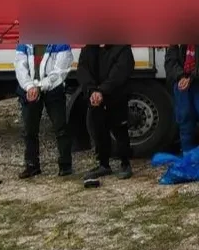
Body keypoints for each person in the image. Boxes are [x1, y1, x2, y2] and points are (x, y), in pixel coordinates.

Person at [14, 43, 75, 178]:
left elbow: (61, 70)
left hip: (53, 89)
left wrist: (40, 86)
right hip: (29, 90)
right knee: (29, 130)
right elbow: (20, 67)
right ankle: (32, 165)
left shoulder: (60, 41)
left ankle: (66, 165)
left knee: (61, 128)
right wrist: (29, 86)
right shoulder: (25, 43)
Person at [79, 44, 136, 180]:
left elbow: (120, 72)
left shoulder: (122, 48)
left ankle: (125, 164)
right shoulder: (88, 49)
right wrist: (92, 91)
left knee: (120, 130)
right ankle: (104, 165)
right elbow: (82, 71)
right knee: (99, 131)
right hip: (95, 98)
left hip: (116, 96)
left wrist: (102, 90)